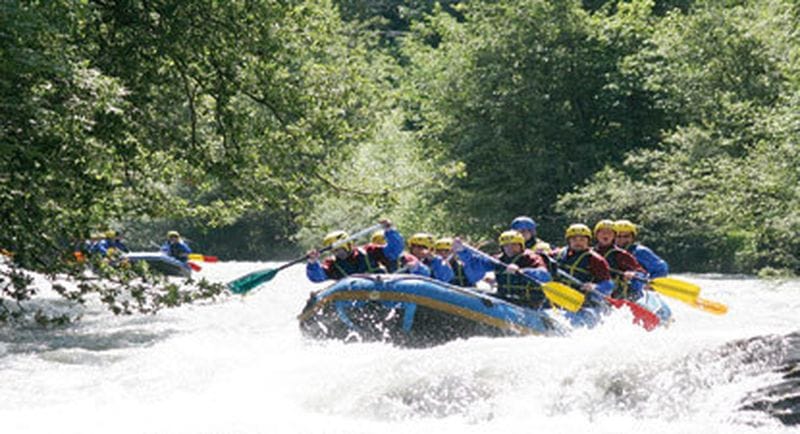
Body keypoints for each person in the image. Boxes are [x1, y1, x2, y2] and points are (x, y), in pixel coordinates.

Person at [453, 230, 551, 309]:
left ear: (521, 246)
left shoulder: (531, 257)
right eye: (506, 245)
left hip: (528, 303)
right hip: (505, 299)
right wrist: (462, 251)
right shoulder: (499, 260)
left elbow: (544, 275)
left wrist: (521, 271)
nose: (510, 248)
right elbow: (477, 264)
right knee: (473, 293)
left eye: (514, 245)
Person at [306, 220, 411, 282]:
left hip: (379, 289)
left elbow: (394, 250)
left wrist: (390, 230)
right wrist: (312, 262)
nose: (337, 253)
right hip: (352, 299)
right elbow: (318, 277)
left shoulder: (369, 251)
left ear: (348, 245)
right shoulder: (332, 264)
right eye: (334, 251)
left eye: (339, 250)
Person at [553, 224, 615, 326]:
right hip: (562, 300)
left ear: (588, 241)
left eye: (582, 239)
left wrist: (595, 286)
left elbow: (609, 285)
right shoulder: (559, 254)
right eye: (574, 239)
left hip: (585, 304)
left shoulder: (596, 260)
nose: (578, 242)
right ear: (569, 241)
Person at [592, 219, 647, 300]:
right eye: (602, 232)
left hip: (617, 295)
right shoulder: (589, 253)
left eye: (609, 233)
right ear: (596, 235)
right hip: (595, 291)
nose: (605, 235)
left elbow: (642, 273)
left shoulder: (621, 254)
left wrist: (633, 274)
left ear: (614, 236)